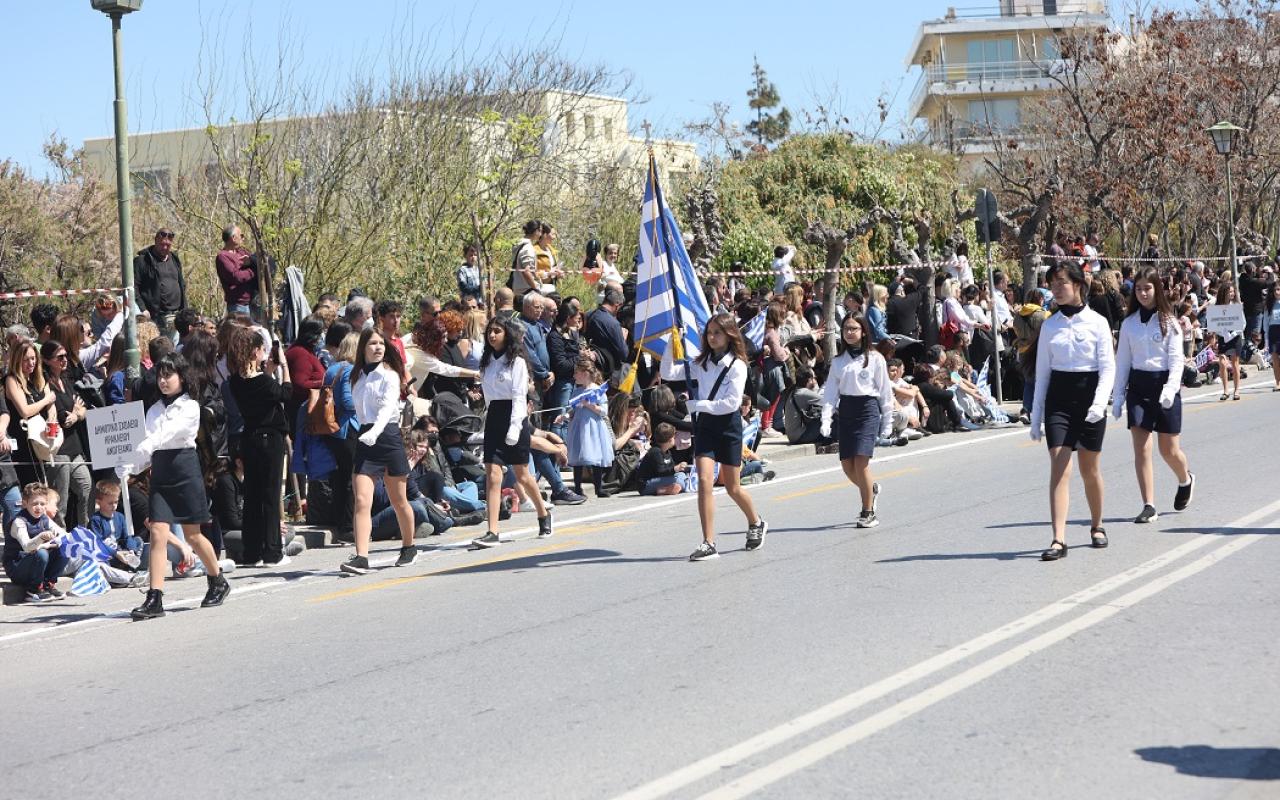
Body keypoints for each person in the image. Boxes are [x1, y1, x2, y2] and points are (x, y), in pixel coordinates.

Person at [121, 353, 230, 619]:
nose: (163, 380)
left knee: (193, 534)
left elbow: (170, 433)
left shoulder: (190, 407)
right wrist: (130, 465)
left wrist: (147, 446)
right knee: (158, 532)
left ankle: (217, 579)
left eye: (168, 375)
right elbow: (148, 442)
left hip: (184, 468)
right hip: (161, 470)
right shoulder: (154, 409)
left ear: (182, 377)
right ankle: (154, 597)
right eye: (160, 375)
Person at [660, 313, 767, 560]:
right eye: (709, 332)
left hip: (728, 426)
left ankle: (756, 522)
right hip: (706, 427)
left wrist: (698, 405)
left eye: (717, 332)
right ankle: (708, 542)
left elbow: (730, 404)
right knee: (705, 482)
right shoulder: (702, 363)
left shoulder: (737, 365)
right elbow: (669, 371)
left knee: (733, 487)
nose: (711, 337)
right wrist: (671, 340)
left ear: (729, 335)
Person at [1029, 261, 1116, 561]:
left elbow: (1108, 369)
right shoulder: (1049, 325)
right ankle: (1058, 539)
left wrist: (1099, 403)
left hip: (1090, 397)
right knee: (1059, 467)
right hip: (1059, 400)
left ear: (1078, 284)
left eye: (1061, 282)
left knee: (1089, 469)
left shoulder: (1097, 322)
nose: (1055, 288)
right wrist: (1035, 415)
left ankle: (1097, 525)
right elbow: (1042, 374)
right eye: (1052, 283)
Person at [1112, 267, 1194, 524]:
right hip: (1139, 386)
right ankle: (1148, 505)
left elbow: (1176, 360)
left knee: (1169, 451)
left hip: (1164, 385)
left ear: (1156, 289)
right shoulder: (1128, 324)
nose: (1143, 293)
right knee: (1142, 450)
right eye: (1138, 289)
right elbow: (1123, 361)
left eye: (1147, 288)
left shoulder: (1169, 322)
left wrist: (1170, 388)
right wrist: (1117, 396)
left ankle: (1185, 479)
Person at [339, 328, 419, 574]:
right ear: (362, 347)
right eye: (372, 344)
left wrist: (375, 432)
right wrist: (365, 433)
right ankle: (361, 556)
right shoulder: (356, 376)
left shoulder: (390, 375)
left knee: (399, 500)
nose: (378, 348)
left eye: (381, 344)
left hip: (387, 436)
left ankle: (409, 546)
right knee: (362, 499)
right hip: (365, 437)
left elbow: (387, 409)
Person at [470, 317, 553, 548]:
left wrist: (516, 426)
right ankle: (492, 530)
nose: (492, 335)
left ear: (507, 334)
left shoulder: (515, 362)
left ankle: (543, 513)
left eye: (497, 331)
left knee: (523, 475)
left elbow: (519, 396)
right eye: (490, 331)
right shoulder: (486, 362)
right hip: (495, 416)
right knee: (493, 476)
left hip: (514, 416)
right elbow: (487, 395)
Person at [226, 328, 293, 567]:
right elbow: (286, 393)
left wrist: (269, 370)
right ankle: (273, 552)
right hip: (270, 438)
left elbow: (263, 388)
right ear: (255, 352)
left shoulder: (234, 381)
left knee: (253, 495)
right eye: (262, 349)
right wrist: (283, 367)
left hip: (250, 437)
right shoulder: (264, 382)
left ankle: (252, 551)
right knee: (271, 495)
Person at [819, 315, 894, 528]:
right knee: (847, 466)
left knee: (861, 463)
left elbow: (885, 392)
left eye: (854, 328)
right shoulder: (839, 360)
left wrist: (887, 421)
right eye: (846, 329)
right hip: (847, 411)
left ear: (863, 332)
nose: (850, 332)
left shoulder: (875, 358)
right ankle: (871, 488)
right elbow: (831, 392)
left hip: (867, 410)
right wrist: (826, 419)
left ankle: (868, 511)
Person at [40, 340, 92, 527]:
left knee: (86, 487)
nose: (64, 360)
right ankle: (60, 538)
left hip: (75, 448)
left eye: (65, 356)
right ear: (47, 360)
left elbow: (82, 410)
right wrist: (75, 413)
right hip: (59, 449)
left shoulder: (67, 381)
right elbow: (63, 418)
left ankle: (84, 531)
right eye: (59, 357)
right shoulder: (45, 385)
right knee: (59, 500)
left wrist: (77, 414)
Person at [3, 483, 69, 602]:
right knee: (42, 553)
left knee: (67, 548)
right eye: (34, 504)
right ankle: (33, 590)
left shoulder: (44, 518)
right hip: (17, 566)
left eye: (42, 504)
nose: (38, 507)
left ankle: (48, 583)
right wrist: (41, 539)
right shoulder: (19, 522)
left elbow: (62, 533)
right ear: (25, 503)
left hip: (33, 562)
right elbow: (27, 547)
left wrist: (66, 539)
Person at [4, 338, 55, 488]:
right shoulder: (11, 380)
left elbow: (51, 405)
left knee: (46, 487)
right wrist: (46, 400)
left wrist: (51, 421)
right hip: (23, 442)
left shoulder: (39, 378)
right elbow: (25, 411)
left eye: (33, 358)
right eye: (26, 360)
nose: (31, 363)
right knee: (31, 488)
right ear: (17, 360)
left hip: (43, 440)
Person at [566, 358, 614, 498]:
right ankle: (577, 487)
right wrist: (565, 416)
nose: (574, 376)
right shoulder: (577, 391)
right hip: (579, 426)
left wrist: (589, 405)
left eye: (577, 373)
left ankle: (599, 487)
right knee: (577, 457)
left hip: (593, 427)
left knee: (595, 455)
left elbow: (604, 411)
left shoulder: (597, 390)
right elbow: (572, 410)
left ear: (585, 373)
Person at [134, 228, 187, 338]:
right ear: (155, 241)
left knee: (174, 350)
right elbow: (134, 287)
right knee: (159, 349)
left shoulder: (174, 259)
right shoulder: (142, 261)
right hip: (156, 316)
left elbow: (181, 284)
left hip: (176, 315)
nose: (165, 247)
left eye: (168, 245)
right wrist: (143, 309)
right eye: (162, 244)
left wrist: (184, 310)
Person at [636, 423, 692, 496]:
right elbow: (661, 471)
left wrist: (681, 468)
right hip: (645, 485)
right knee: (678, 478)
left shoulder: (667, 452)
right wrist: (675, 469)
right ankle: (680, 486)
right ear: (670, 440)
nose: (675, 439)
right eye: (674, 437)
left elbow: (670, 469)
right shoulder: (655, 452)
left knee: (681, 475)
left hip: (658, 480)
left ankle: (669, 488)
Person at [216, 224, 257, 317]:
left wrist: (251, 262)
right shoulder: (222, 256)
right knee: (241, 331)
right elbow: (236, 276)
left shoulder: (241, 252)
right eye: (241, 235)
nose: (243, 238)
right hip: (238, 305)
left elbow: (255, 260)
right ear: (233, 238)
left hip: (252, 302)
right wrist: (252, 271)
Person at [1213, 282, 1244, 401]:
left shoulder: (1236, 305)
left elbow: (1243, 323)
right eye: (1229, 291)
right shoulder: (1217, 307)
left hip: (1235, 337)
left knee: (1235, 363)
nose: (1231, 294)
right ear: (1224, 293)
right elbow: (1215, 324)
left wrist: (1233, 334)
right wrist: (1223, 334)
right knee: (1222, 362)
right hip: (1223, 337)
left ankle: (1237, 390)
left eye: (1232, 291)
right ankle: (1225, 390)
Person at [510, 220, 541, 294]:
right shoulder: (527, 248)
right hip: (526, 289)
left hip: (518, 287)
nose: (541, 234)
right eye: (540, 231)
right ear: (536, 231)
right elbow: (526, 271)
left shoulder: (519, 244)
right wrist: (535, 288)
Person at [1264, 281, 1280, 391]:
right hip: (1273, 331)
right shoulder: (1269, 304)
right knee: (1275, 359)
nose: (1277, 292)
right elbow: (1266, 321)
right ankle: (1278, 382)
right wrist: (1266, 337)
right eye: (1275, 290)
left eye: (1279, 289)